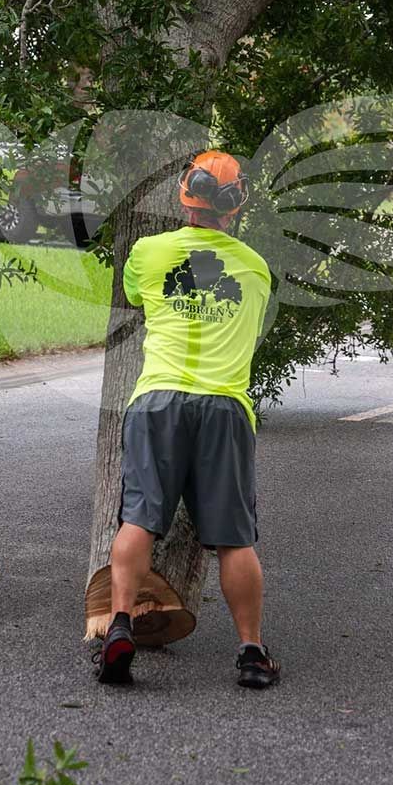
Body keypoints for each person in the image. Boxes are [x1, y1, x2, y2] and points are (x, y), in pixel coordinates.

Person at [95, 151, 279, 689]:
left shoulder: (148, 253)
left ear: (184, 195)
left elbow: (133, 296)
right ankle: (250, 652)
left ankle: (120, 623)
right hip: (225, 407)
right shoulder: (254, 267)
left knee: (139, 520)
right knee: (234, 539)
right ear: (236, 202)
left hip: (158, 401)